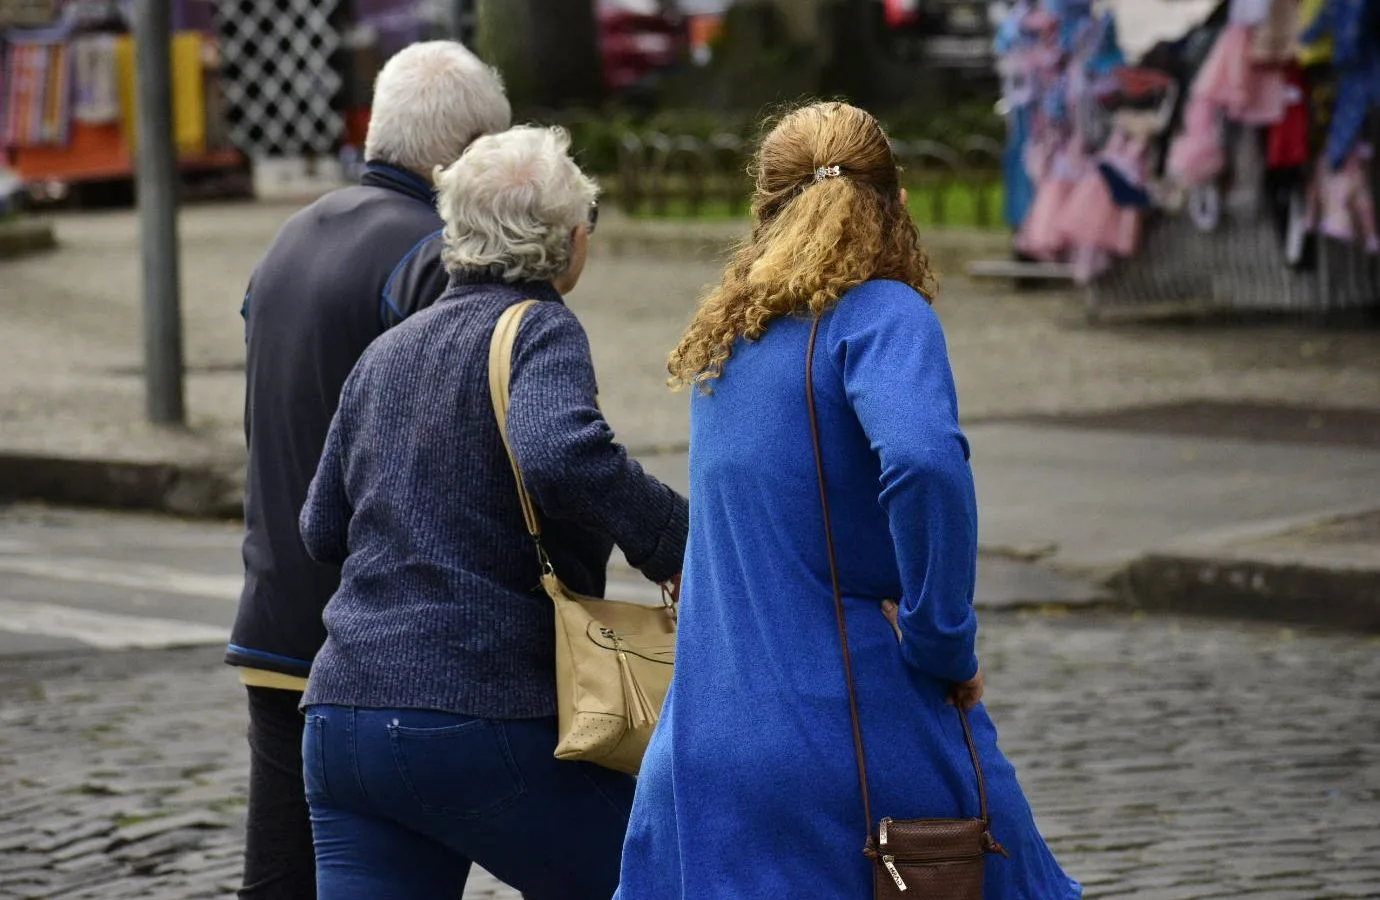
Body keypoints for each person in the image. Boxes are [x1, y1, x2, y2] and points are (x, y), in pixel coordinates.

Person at [615, 102, 1081, 898]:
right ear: (898, 203)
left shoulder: (725, 339)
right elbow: (925, 460)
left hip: (703, 745)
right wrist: (943, 642)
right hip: (852, 725)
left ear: (763, 212)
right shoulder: (883, 316)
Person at [297, 124, 689, 900]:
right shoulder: (538, 327)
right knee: (667, 877)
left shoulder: (387, 351)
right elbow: (558, 452)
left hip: (344, 723)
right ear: (570, 240)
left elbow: (320, 530)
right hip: (475, 712)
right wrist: (677, 541)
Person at [227, 41, 511, 900]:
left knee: (281, 878)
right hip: (380, 640)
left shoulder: (289, 237)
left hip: (275, 615)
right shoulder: (429, 258)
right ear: (459, 153)